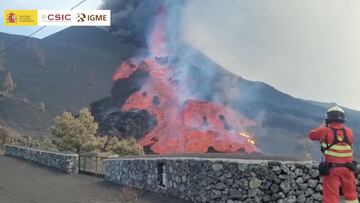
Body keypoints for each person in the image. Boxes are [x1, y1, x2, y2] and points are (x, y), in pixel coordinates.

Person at [308, 106, 358, 203]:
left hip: (332, 169)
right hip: (348, 168)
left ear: (328, 118)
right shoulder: (349, 132)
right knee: (351, 196)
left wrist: (323, 124)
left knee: (331, 198)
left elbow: (312, 135)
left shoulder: (325, 130)